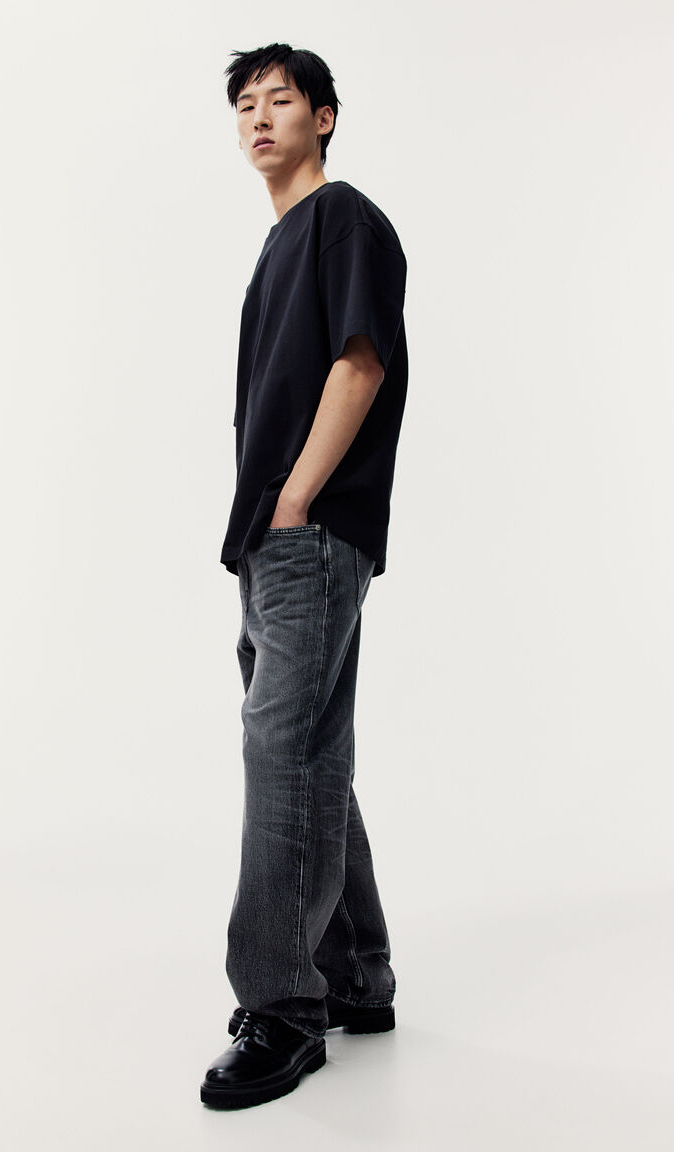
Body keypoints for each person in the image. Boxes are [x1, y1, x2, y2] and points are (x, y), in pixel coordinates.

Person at [200, 42, 409, 1110]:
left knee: (280, 749)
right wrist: (262, 526)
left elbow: (360, 361)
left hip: (309, 530)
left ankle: (283, 1007)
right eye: (245, 103)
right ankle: (356, 977)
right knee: (312, 751)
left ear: (323, 116)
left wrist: (294, 501)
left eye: (279, 98)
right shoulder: (276, 247)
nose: (259, 117)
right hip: (274, 542)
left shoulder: (343, 220)